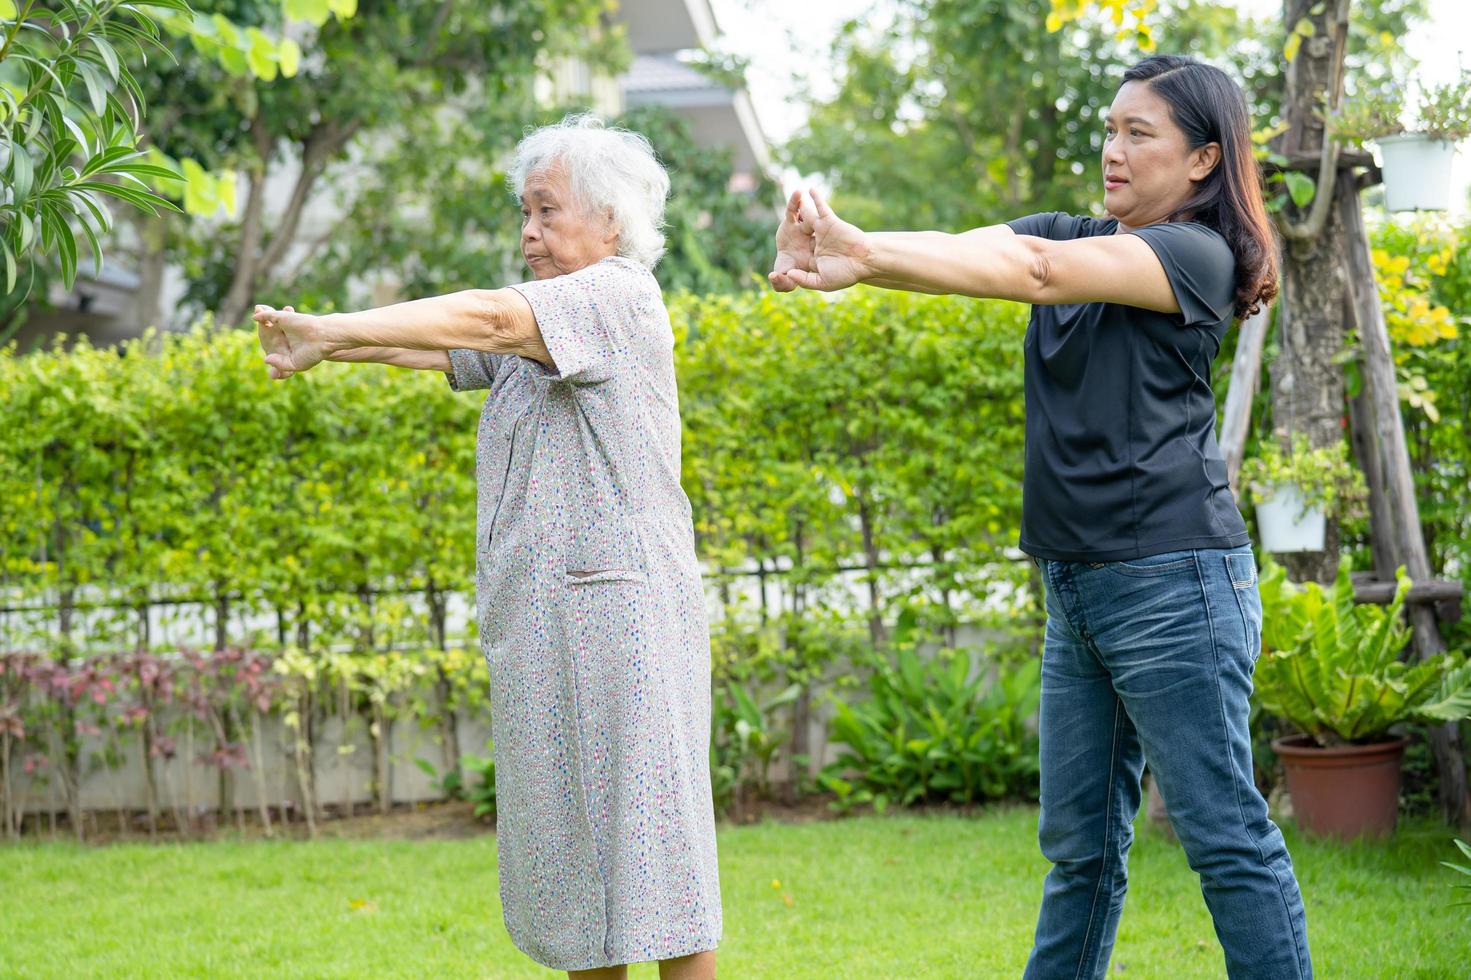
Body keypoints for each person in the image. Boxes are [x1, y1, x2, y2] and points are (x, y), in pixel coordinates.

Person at [770, 54, 1312, 980]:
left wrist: (859, 253)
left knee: (1223, 838)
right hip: (1078, 586)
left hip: (1172, 583)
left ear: (1202, 162)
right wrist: (851, 255)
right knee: (1081, 850)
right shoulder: (1075, 234)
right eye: (1109, 128)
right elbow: (974, 252)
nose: (1112, 148)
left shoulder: (1193, 254)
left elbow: (1032, 271)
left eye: (1139, 133)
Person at [252, 114, 721, 980]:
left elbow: (487, 316)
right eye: (524, 213)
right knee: (577, 869)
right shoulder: (545, 321)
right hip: (551, 625)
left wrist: (333, 322)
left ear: (610, 222)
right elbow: (442, 348)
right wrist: (330, 344)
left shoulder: (611, 295)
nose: (527, 234)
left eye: (546, 212)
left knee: (658, 866)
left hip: (620, 621)